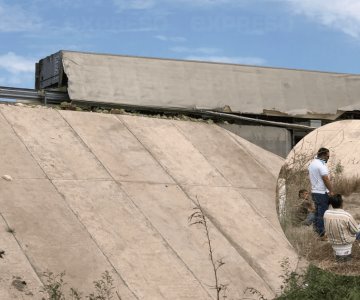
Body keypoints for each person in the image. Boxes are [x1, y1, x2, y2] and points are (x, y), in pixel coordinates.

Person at [324, 194, 360, 262]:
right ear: (341, 203)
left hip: (332, 241)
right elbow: (355, 230)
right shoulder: (346, 215)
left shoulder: (326, 213)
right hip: (345, 241)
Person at [308, 147, 334, 237]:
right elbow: (326, 179)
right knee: (322, 214)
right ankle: (322, 234)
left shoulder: (312, 164)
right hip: (321, 193)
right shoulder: (321, 165)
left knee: (317, 213)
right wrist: (331, 190)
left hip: (314, 192)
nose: (328, 158)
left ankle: (316, 231)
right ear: (323, 155)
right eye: (327, 156)